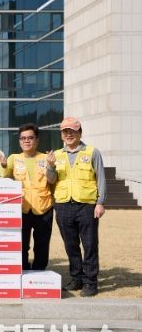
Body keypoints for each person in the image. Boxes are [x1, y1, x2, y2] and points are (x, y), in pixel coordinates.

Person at [46, 117, 106, 297]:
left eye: (72, 131)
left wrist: (100, 202)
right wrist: (50, 166)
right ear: (61, 135)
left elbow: (101, 178)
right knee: (70, 245)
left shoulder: (92, 152)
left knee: (90, 245)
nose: (68, 134)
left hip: (87, 205)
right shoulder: (56, 155)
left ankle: (90, 282)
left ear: (80, 132)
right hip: (63, 205)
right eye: (65, 132)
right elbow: (51, 180)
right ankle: (77, 278)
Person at [4, 123, 54, 271]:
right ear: (19, 141)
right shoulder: (13, 158)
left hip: (44, 207)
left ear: (37, 140)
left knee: (42, 244)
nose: (26, 141)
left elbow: (52, 180)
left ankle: (39, 270)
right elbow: (4, 178)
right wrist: (2, 165)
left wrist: (51, 166)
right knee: (21, 243)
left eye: (30, 138)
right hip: (21, 207)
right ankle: (23, 270)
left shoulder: (46, 158)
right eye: (23, 138)